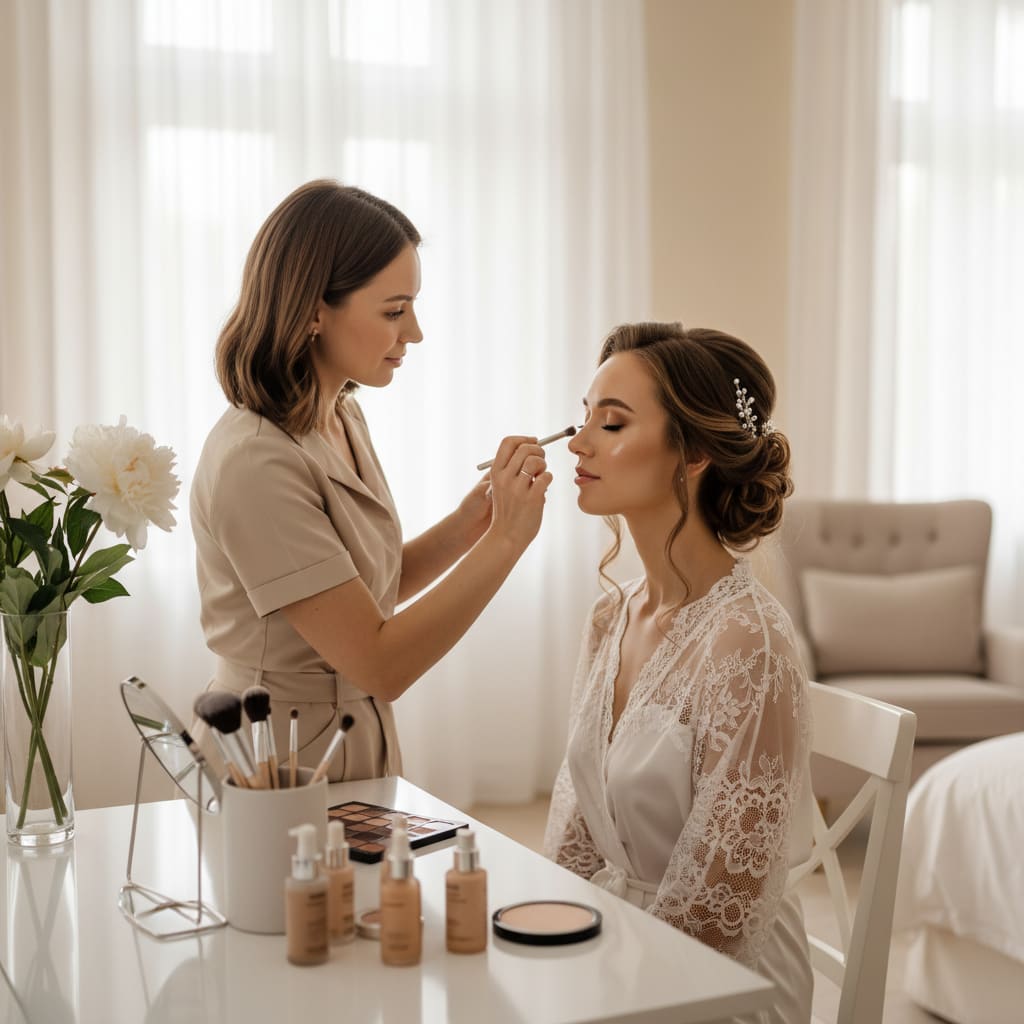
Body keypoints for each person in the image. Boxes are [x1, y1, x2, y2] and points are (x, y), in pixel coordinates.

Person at [191, 180, 552, 780]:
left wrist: (473, 522)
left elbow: (364, 594)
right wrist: (507, 540)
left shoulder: (340, 414)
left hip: (353, 740)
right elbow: (381, 662)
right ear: (312, 309)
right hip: (273, 761)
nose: (413, 333)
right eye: (394, 310)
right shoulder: (256, 463)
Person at [543, 322, 813, 1024]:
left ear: (691, 452)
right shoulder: (612, 618)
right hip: (619, 948)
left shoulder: (746, 642)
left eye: (611, 423)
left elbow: (721, 911)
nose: (578, 444)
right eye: (583, 420)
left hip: (720, 987)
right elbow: (576, 832)